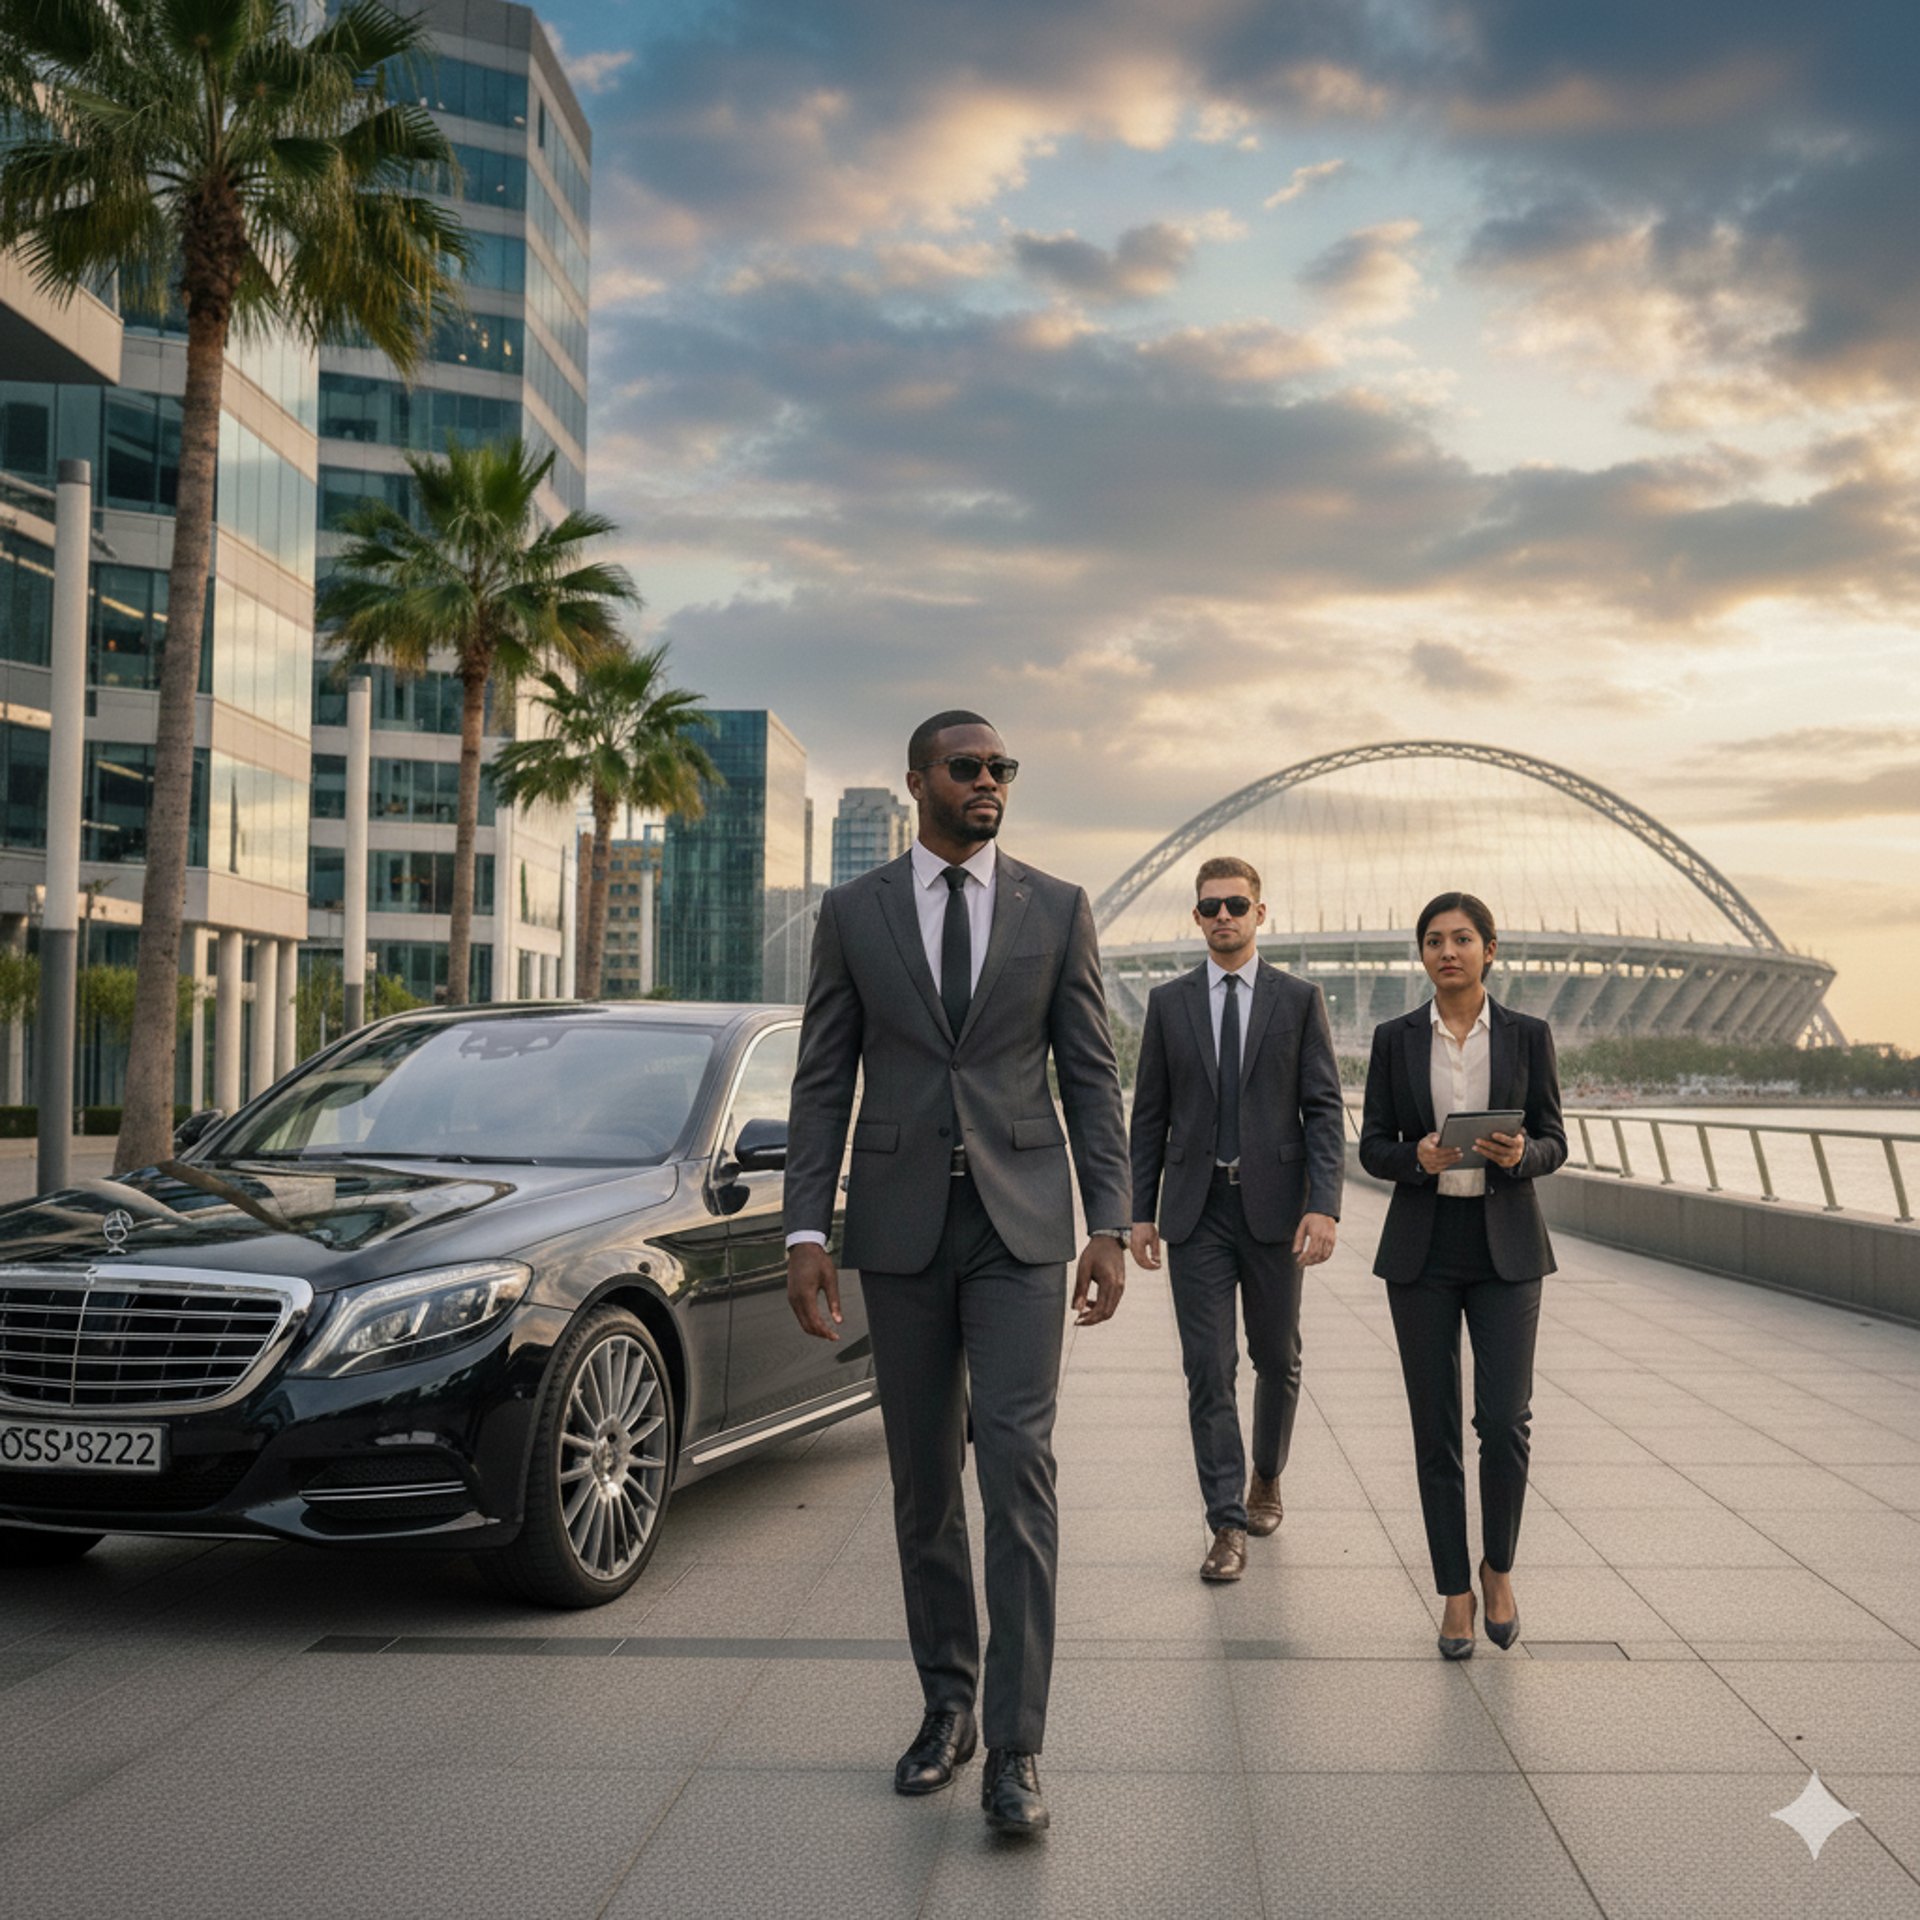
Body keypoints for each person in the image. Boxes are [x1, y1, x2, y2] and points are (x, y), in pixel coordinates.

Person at [784, 711, 1130, 1838]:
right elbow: (823, 1079)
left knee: (1019, 1471)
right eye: (969, 768)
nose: (990, 783)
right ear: (918, 782)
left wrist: (1111, 1225)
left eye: (1003, 770)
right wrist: (803, 1233)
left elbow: (1091, 1076)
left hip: (1024, 1228)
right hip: (898, 1232)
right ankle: (947, 1709)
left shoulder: (1058, 907)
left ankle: (1018, 1751)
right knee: (924, 1484)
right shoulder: (853, 912)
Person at [1360, 891, 1566, 1658]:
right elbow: (1371, 1145)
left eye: (1463, 938)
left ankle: (1499, 1565)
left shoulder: (1526, 1036)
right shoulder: (1394, 1038)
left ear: (1490, 950)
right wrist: (1411, 1157)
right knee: (1434, 1429)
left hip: (1505, 1247)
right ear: (1421, 955)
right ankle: (1454, 1589)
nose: (1448, 951)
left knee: (1504, 1423)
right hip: (1423, 1248)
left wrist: (1524, 1155)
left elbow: (1554, 1137)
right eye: (1434, 940)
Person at [1128, 857, 1344, 1581]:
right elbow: (1149, 1115)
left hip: (1277, 1209)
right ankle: (1225, 1523)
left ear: (1260, 913)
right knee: (1207, 1368)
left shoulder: (1298, 999)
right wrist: (1139, 1212)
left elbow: (1322, 1109)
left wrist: (1324, 1204)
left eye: (1236, 905)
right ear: (1196, 917)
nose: (1224, 916)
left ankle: (1268, 1475)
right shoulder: (1168, 1003)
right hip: (1196, 1211)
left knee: (1276, 1357)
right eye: (1211, 906)